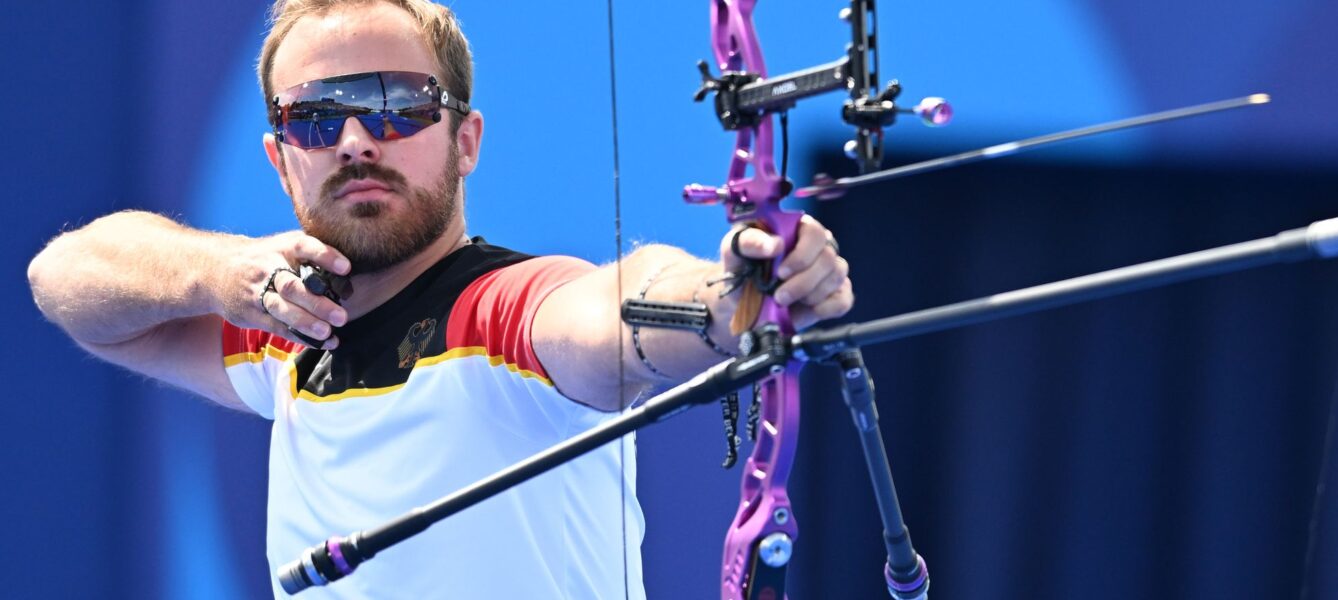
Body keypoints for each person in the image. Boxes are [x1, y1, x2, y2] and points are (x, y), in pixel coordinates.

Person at [26, 0, 852, 597]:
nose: (355, 140)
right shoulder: (287, 330)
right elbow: (65, 282)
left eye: (396, 106)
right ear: (282, 161)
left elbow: (611, 312)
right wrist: (217, 273)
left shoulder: (503, 316)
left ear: (465, 141)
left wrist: (736, 297)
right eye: (316, 118)